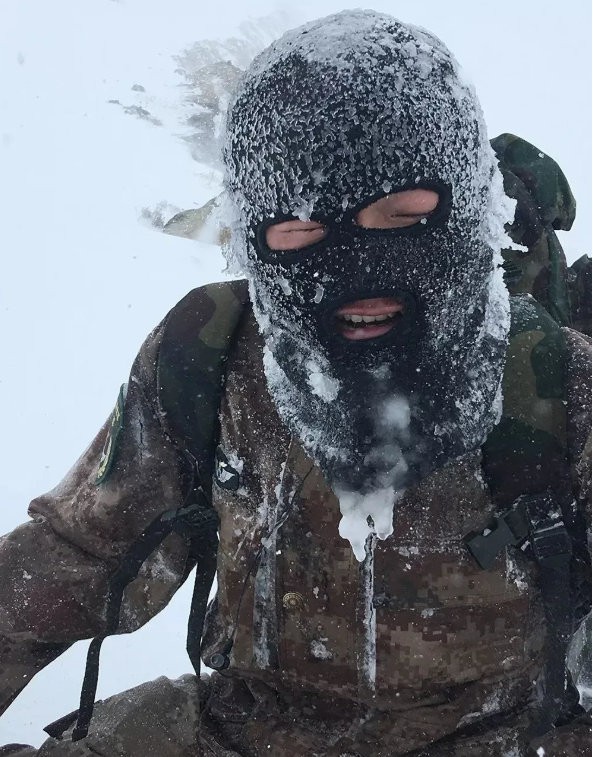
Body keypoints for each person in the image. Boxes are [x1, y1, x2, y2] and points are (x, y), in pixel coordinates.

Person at [0, 10, 590, 757]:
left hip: (505, 733)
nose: (358, 268)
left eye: (402, 214)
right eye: (302, 232)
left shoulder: (559, 380)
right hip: (245, 729)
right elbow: (76, 556)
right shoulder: (209, 351)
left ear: (463, 209)